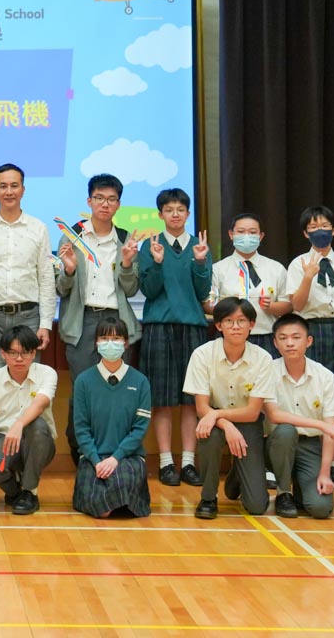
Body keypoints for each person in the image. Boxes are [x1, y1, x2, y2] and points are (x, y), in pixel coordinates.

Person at [55, 173, 145, 463]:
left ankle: (116, 452)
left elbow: (131, 289)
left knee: (117, 391)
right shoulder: (73, 236)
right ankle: (80, 451)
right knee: (83, 389)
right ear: (89, 201)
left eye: (111, 199)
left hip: (116, 322)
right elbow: (61, 288)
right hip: (83, 323)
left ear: (118, 204)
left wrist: (127, 263)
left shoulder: (125, 240)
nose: (105, 204)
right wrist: (69, 270)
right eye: (99, 198)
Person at [136, 187, 212, 488]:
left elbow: (203, 293)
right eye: (169, 210)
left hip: (193, 328)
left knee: (192, 400)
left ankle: (189, 462)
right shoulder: (150, 245)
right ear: (160, 214)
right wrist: (156, 262)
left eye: (180, 209)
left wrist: (200, 262)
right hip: (158, 327)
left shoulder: (198, 246)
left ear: (188, 214)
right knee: (163, 400)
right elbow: (149, 290)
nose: (175, 214)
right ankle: (167, 462)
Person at [185, 297, 278, 519]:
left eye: (241, 321)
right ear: (218, 325)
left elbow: (253, 412)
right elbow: (201, 408)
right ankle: (208, 498)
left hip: (247, 422)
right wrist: (225, 424)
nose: (235, 326)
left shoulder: (263, 358)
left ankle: (238, 473)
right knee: (207, 433)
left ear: (251, 325)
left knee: (257, 506)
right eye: (228, 321)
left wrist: (218, 415)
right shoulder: (202, 354)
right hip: (213, 422)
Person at [285, 205, 334, 489]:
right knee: (305, 394)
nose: (320, 231)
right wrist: (307, 277)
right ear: (305, 233)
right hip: (310, 329)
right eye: (313, 227)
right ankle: (304, 462)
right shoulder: (297, 263)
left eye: (325, 226)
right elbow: (297, 305)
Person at [0, 164, 54, 376]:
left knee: (28, 378)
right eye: (3, 186)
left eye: (14, 186)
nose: (9, 191)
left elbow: (46, 278)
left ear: (23, 190)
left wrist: (45, 324)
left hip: (28, 317)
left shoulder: (38, 228)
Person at [264, 313, 334, 519]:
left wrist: (325, 473)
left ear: (309, 341)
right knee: (286, 431)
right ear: (275, 343)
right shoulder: (267, 371)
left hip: (310, 446)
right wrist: (321, 425)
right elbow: (274, 415)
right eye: (283, 338)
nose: (289, 343)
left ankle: (301, 489)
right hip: (274, 444)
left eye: (296, 337)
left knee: (320, 508)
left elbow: (331, 432)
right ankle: (283, 492)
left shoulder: (325, 376)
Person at [70, 316, 152, 519]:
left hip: (128, 457)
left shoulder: (140, 381)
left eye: (116, 339)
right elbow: (81, 429)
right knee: (101, 507)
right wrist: (96, 460)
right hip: (93, 458)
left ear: (126, 343)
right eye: (104, 338)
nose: (110, 343)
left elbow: (139, 429)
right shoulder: (83, 381)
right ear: (96, 343)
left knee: (122, 485)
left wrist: (115, 458)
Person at [0, 324, 57, 515]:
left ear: (34, 353)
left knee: (37, 426)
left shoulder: (47, 373)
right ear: (3, 354)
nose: (19, 358)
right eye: (13, 353)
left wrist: (18, 425)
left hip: (37, 442)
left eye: (25, 352)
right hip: (3, 440)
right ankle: (14, 492)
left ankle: (29, 492)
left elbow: (40, 404)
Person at [208, 213, 288, 356]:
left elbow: (288, 305)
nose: (246, 236)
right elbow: (209, 305)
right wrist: (227, 305)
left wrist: (271, 306)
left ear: (261, 236)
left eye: (252, 232)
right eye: (240, 231)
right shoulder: (218, 269)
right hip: (230, 336)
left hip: (266, 336)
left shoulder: (276, 268)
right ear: (231, 234)